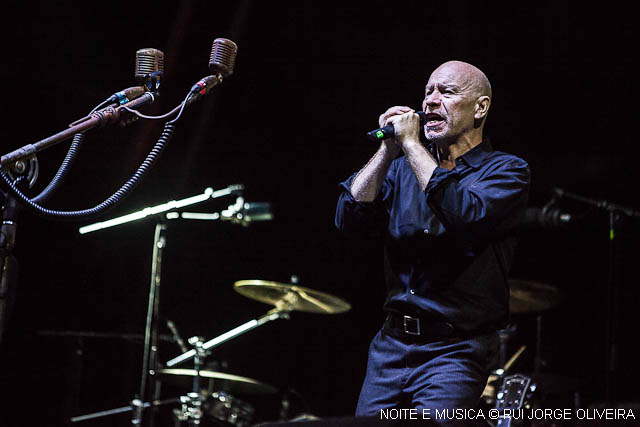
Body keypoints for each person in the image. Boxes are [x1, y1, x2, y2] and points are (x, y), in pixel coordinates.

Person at [335, 61, 530, 421]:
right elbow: (349, 218)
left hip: (455, 350)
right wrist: (388, 151)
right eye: (428, 92)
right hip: (390, 347)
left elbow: (464, 215)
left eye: (447, 92)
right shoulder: (401, 166)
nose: (431, 102)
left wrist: (411, 144)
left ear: (480, 108)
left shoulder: (507, 170)